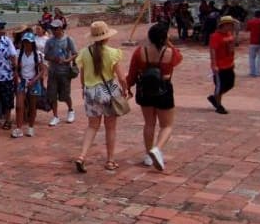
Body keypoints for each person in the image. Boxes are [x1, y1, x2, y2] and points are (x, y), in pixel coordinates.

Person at [127, 22, 184, 172]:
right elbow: (179, 58)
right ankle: (157, 149)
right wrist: (169, 43)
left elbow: (132, 73)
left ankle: (148, 154)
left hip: (144, 90)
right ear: (164, 37)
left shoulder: (140, 51)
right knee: (167, 125)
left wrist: (128, 88)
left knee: (149, 123)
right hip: (164, 89)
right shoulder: (170, 53)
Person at [73, 22, 126, 172]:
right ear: (106, 37)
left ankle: (82, 156)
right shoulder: (112, 53)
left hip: (91, 91)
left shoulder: (84, 53)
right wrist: (126, 90)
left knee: (92, 126)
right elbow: (121, 77)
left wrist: (84, 89)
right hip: (108, 90)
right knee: (110, 128)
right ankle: (110, 160)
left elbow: (82, 76)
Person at [44, 19, 77, 125]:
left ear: (61, 28)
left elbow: (75, 53)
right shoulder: (49, 41)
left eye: (56, 29)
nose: (54, 31)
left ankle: (71, 110)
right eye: (52, 29)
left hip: (64, 71)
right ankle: (55, 116)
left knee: (65, 94)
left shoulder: (68, 40)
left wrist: (67, 60)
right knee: (52, 95)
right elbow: (46, 55)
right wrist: (53, 59)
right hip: (53, 71)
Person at [14, 32, 45, 137]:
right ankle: (18, 128)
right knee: (19, 106)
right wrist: (18, 78)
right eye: (25, 42)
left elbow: (42, 70)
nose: (27, 44)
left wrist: (34, 80)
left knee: (32, 106)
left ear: (33, 43)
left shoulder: (38, 55)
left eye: (29, 42)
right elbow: (15, 69)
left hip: (33, 81)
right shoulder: (19, 54)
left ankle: (31, 127)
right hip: (22, 81)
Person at [208, 15, 237, 114]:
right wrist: (214, 64)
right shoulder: (215, 36)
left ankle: (214, 97)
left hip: (229, 64)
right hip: (220, 66)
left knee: (230, 84)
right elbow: (213, 51)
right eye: (230, 24)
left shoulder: (229, 34)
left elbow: (232, 47)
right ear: (224, 25)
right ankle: (219, 106)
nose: (231, 26)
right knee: (219, 87)